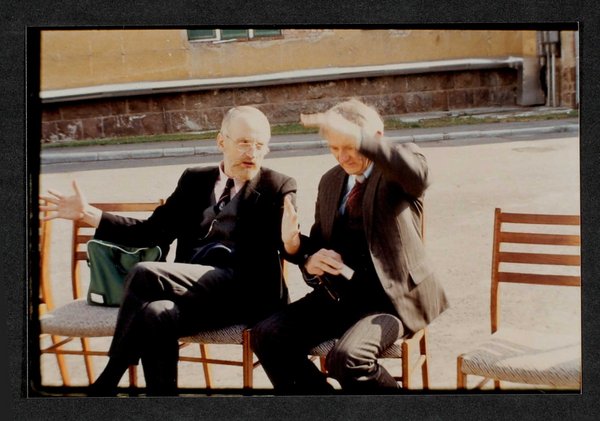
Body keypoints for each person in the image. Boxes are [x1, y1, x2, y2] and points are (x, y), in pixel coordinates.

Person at [40, 106, 297, 396]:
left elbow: (290, 247)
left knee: (144, 273)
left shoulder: (277, 185)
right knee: (155, 313)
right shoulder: (194, 180)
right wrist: (88, 214)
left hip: (245, 294)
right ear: (221, 141)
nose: (252, 152)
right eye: (244, 142)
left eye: (260, 145)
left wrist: (292, 241)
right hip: (197, 295)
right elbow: (150, 232)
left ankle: (109, 377)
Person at [251, 99, 449, 393]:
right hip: (339, 296)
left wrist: (362, 139)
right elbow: (319, 244)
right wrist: (299, 251)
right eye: (334, 147)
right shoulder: (330, 181)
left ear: (375, 139)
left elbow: (419, 176)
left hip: (390, 301)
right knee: (267, 335)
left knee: (348, 359)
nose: (342, 156)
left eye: (350, 146)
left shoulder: (397, 169)